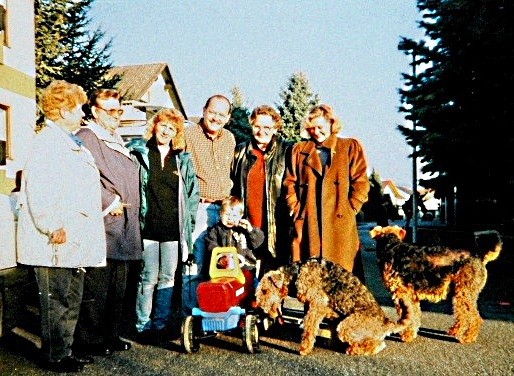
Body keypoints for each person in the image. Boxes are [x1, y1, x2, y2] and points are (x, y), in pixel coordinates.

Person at [16, 80, 106, 372]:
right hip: (55, 237)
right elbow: (39, 190)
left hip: (73, 237)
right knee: (56, 301)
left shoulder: (70, 141)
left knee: (71, 298)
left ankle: (64, 350)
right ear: (64, 109)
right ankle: (54, 355)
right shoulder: (47, 143)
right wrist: (52, 225)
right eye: (79, 106)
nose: (83, 111)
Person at [73, 89, 142, 356]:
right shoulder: (87, 137)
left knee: (118, 286)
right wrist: (108, 201)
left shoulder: (114, 138)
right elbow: (80, 176)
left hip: (125, 224)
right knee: (97, 287)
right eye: (110, 111)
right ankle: (89, 339)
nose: (116, 116)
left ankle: (110, 335)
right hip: (104, 222)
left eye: (119, 110)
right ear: (94, 111)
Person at [127, 108, 199, 341]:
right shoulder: (140, 153)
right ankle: (142, 325)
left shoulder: (182, 160)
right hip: (148, 227)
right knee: (148, 278)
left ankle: (160, 324)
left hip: (172, 229)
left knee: (168, 278)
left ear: (177, 132)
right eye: (163, 125)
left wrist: (188, 227)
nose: (166, 131)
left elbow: (191, 196)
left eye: (172, 128)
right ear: (155, 125)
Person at [283, 104, 370, 282]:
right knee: (311, 275)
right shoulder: (299, 150)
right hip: (309, 221)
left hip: (340, 223)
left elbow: (361, 182)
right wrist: (296, 208)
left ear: (331, 123)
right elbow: (289, 182)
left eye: (320, 127)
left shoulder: (349, 147)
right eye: (311, 128)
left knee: (343, 277)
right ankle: (313, 309)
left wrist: (350, 208)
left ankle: (342, 309)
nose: (316, 132)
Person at [182, 94, 235, 314]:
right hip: (199, 208)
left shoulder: (230, 139)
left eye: (221, 114)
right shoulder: (188, 134)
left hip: (223, 211)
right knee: (194, 264)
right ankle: (191, 317)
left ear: (228, 118)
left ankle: (217, 313)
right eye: (212, 112)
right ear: (204, 110)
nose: (216, 118)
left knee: (222, 266)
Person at [231, 105, 292, 276]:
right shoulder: (241, 151)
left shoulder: (287, 151)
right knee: (245, 275)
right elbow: (234, 186)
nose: (261, 131)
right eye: (257, 126)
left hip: (276, 225)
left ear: (275, 128)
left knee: (274, 278)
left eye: (267, 127)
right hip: (248, 223)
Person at [205, 196, 264, 302]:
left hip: (245, 268)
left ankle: (253, 307)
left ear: (240, 216)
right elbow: (211, 246)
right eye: (227, 215)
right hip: (225, 271)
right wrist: (222, 256)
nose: (230, 218)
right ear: (220, 214)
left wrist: (250, 230)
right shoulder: (215, 230)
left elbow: (258, 243)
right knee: (223, 292)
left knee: (252, 290)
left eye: (234, 215)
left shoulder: (244, 229)